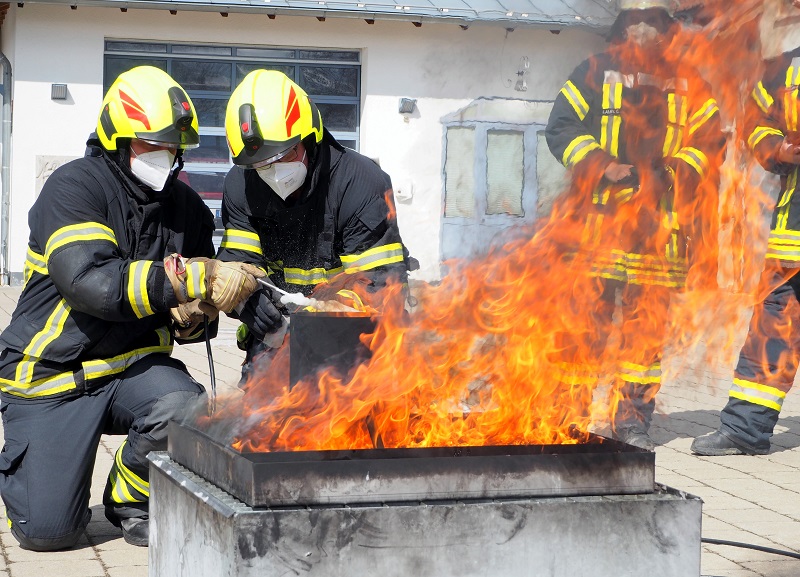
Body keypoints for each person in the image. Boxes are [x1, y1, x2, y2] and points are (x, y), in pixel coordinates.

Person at [0, 66, 263, 550]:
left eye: (173, 146)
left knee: (188, 405)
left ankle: (129, 498)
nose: (166, 156)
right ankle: (43, 468)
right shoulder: (75, 187)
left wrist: (194, 317)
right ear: (118, 140)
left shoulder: (187, 209)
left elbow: (186, 316)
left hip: (131, 370)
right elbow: (92, 283)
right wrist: (192, 278)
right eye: (152, 145)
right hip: (50, 377)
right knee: (49, 533)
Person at [545, 0, 725, 450]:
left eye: (654, 22)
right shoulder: (591, 70)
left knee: (645, 337)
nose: (644, 30)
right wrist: (602, 165)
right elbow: (561, 128)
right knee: (585, 328)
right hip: (596, 229)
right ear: (622, 29)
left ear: (667, 29)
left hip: (658, 232)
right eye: (635, 21)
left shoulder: (691, 81)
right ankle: (570, 415)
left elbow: (711, 141)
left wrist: (671, 173)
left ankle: (631, 420)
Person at [217, 70, 414, 381]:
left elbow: (380, 290)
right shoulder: (241, 184)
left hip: (360, 342)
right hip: (276, 341)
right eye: (261, 164)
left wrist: (315, 315)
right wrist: (246, 300)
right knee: (254, 419)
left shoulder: (359, 183)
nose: (274, 170)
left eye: (285, 154)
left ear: (310, 137)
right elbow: (236, 267)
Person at [692, 0, 800, 457]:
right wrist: (777, 147)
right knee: (774, 324)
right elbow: (756, 122)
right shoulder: (787, 70)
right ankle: (745, 430)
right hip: (793, 236)